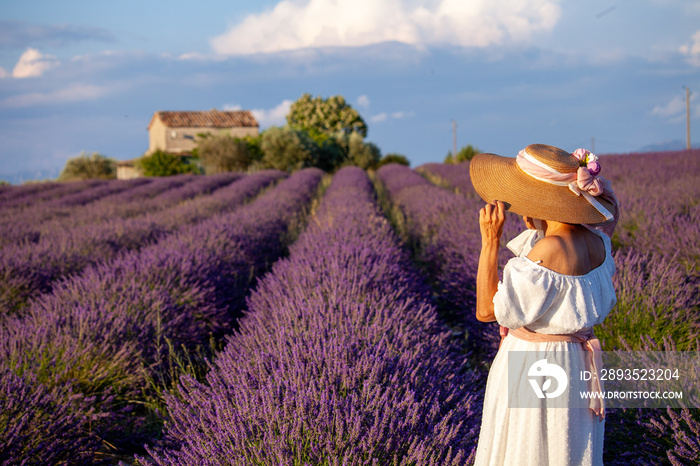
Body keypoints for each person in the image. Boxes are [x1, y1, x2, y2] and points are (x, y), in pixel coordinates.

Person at [468, 144, 620, 466]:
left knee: (527, 449)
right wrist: (537, 224)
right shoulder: (599, 243)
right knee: (568, 447)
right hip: (577, 364)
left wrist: (490, 241)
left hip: (534, 367)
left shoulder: (545, 253)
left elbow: (486, 311)